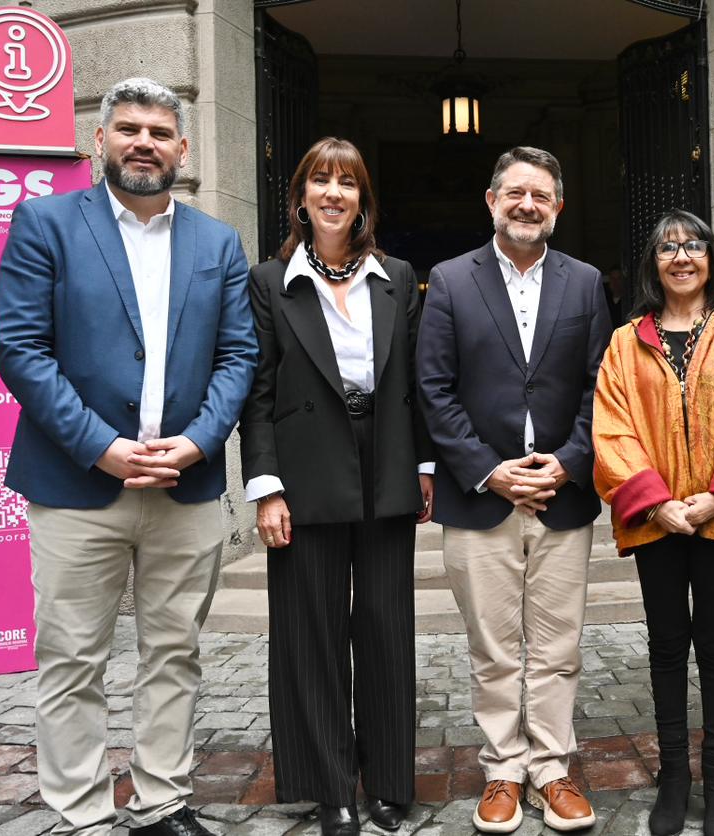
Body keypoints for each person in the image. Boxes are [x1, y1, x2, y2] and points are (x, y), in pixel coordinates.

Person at [0, 78, 257, 836]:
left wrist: (200, 441)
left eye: (160, 132)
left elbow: (238, 354)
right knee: (72, 657)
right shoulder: (45, 224)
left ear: (183, 149)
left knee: (174, 653)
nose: (144, 142)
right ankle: (80, 811)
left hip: (184, 487)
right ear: (100, 140)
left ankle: (162, 800)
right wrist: (99, 447)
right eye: (130, 128)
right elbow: (19, 348)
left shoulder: (216, 242)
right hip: (77, 485)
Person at [238, 137, 434, 836]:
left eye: (347, 183)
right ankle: (330, 787)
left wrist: (423, 466)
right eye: (320, 180)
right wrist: (266, 486)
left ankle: (387, 780)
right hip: (304, 469)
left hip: (386, 463)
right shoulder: (269, 281)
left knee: (385, 627)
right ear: (301, 197)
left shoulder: (397, 276)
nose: (333, 193)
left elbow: (415, 381)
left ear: (362, 202)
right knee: (310, 632)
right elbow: (258, 391)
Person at [416, 146, 611, 834]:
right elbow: (433, 388)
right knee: (493, 648)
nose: (528, 205)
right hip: (480, 498)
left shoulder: (585, 282)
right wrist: (488, 469)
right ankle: (503, 768)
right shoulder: (449, 280)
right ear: (492, 201)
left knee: (558, 647)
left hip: (562, 495)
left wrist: (569, 461)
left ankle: (552, 768)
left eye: (541, 195)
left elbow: (601, 384)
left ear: (558, 207)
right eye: (516, 193)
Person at [593, 210, 714, 836]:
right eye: (668, 247)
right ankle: (675, 776)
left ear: (710, 257)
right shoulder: (626, 342)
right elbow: (613, 430)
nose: (681, 256)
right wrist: (657, 503)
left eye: (693, 245)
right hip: (658, 522)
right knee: (668, 646)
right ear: (653, 263)